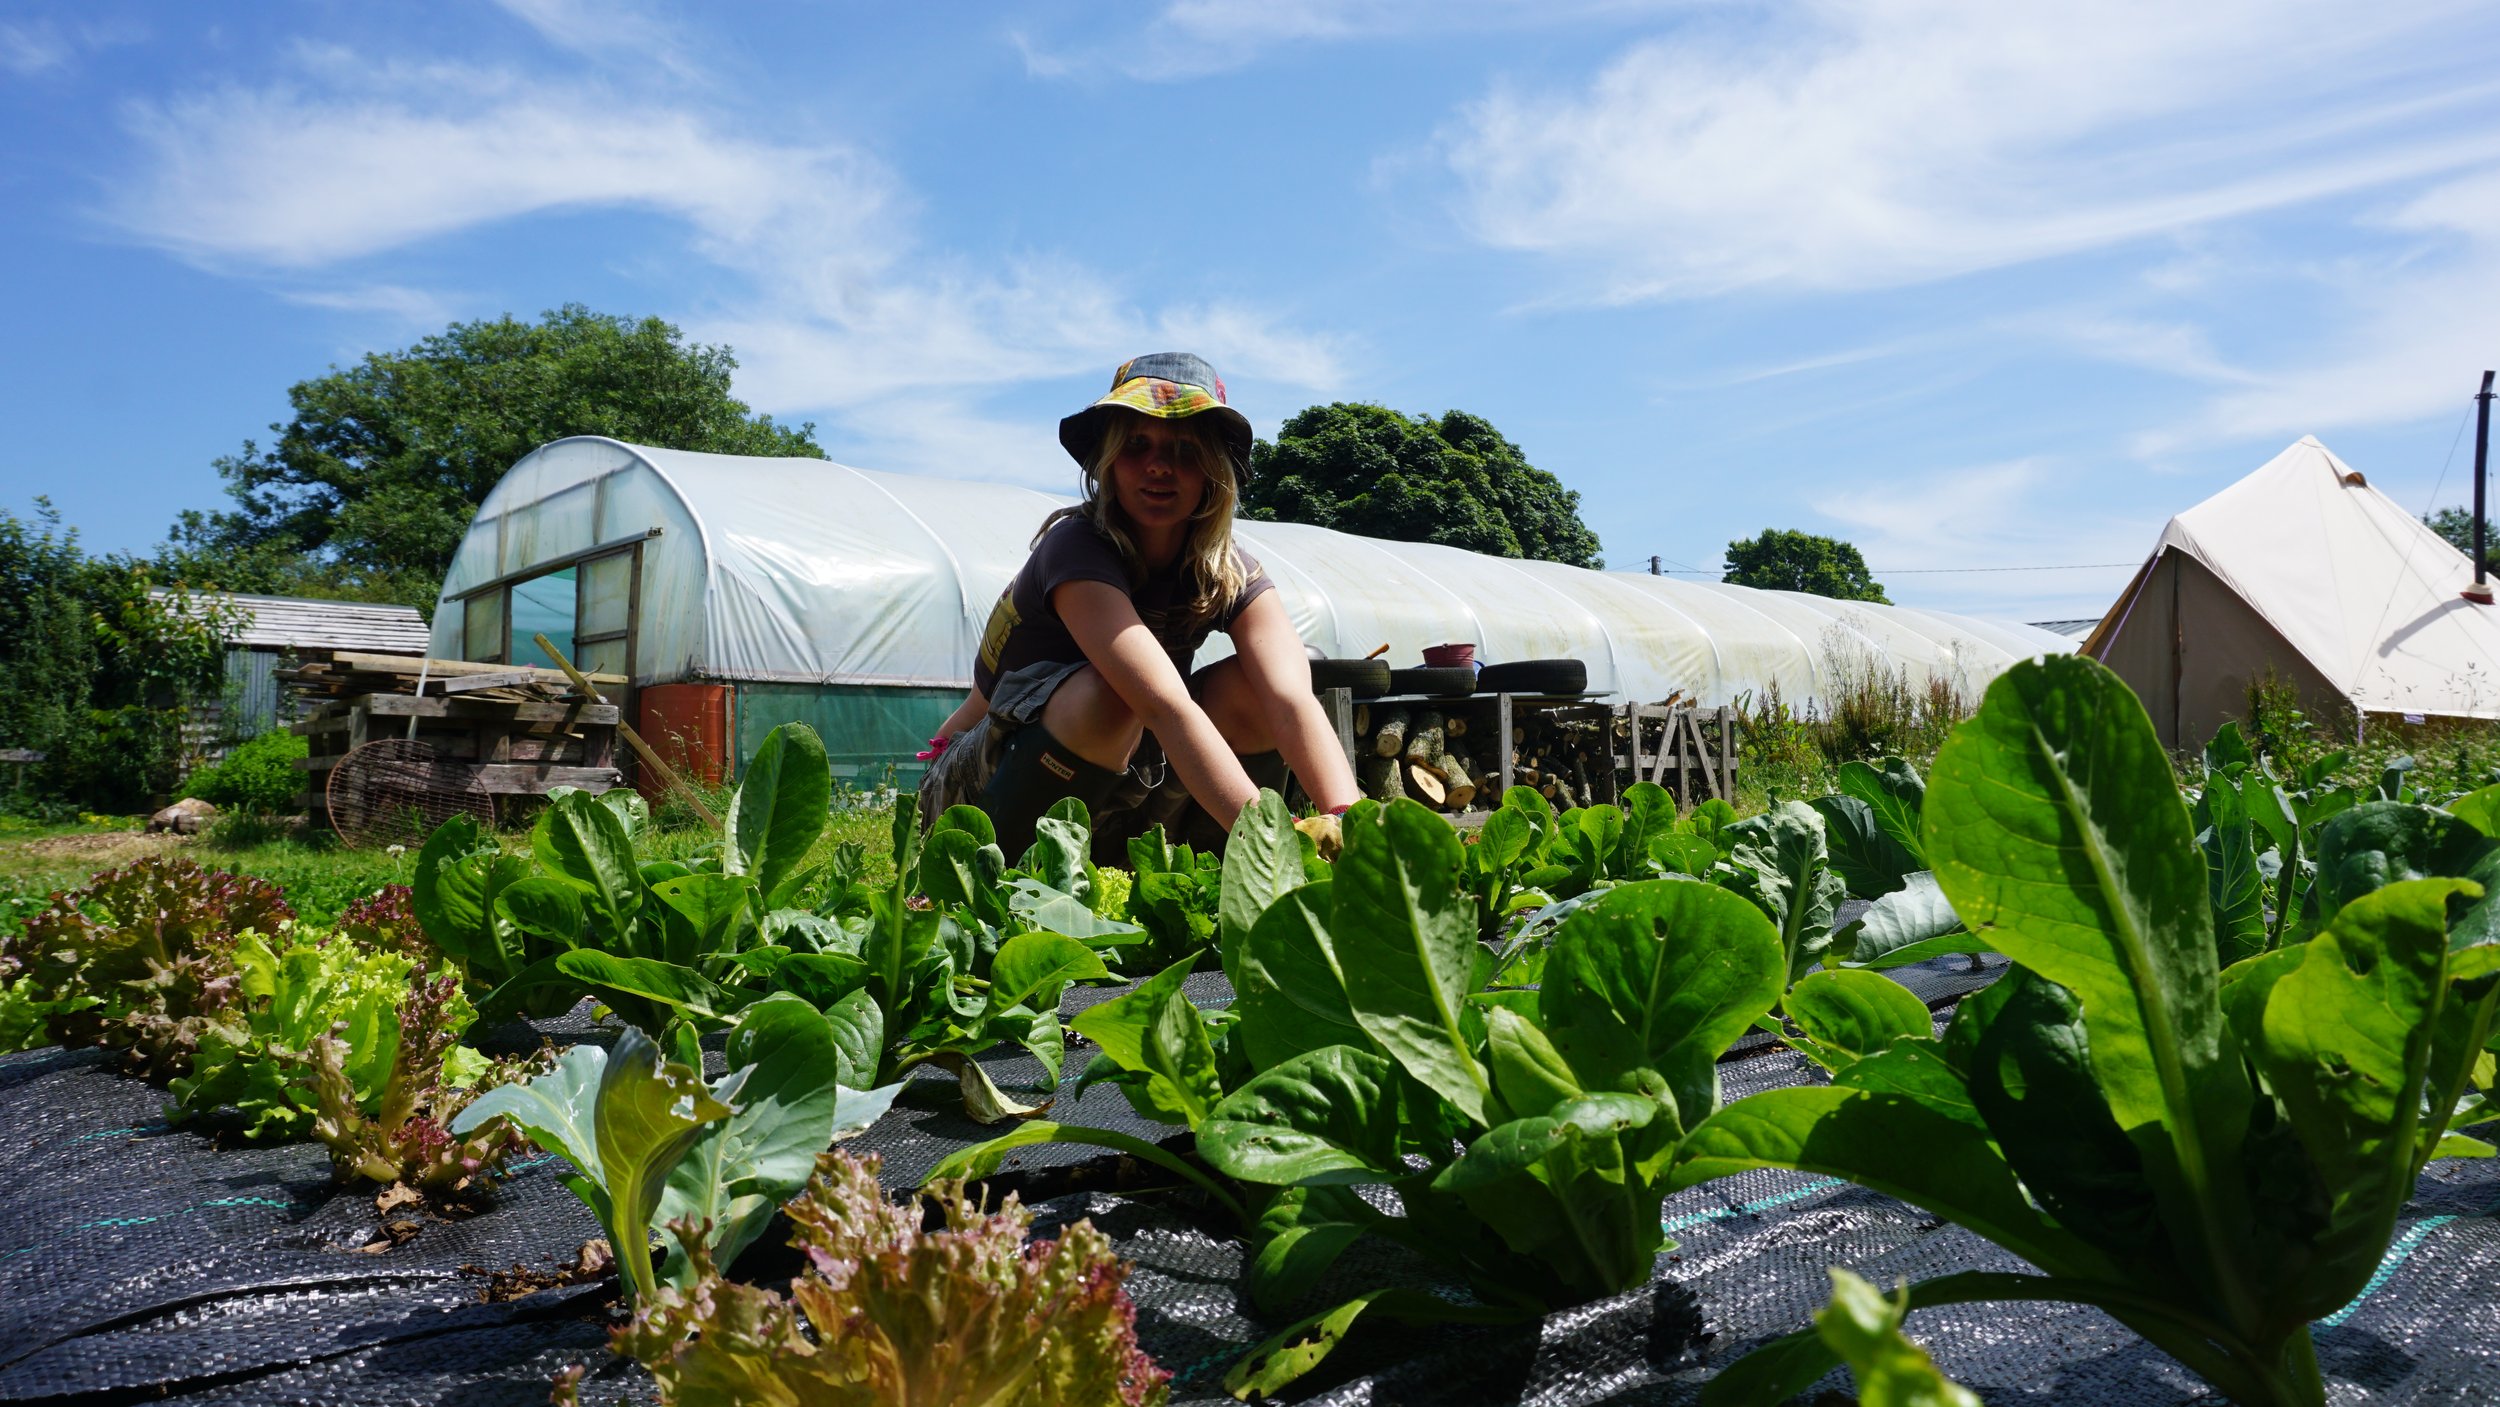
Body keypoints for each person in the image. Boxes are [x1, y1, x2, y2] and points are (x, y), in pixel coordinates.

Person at [916, 353, 1358, 861]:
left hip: (1119, 783)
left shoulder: (1228, 571)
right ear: (1106, 459)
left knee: (1251, 690)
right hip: (971, 794)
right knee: (1111, 695)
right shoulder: (1076, 549)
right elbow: (1161, 705)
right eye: (1136, 444)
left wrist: (1351, 822)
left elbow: (1290, 700)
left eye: (1185, 450)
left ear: (1214, 470)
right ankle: (996, 880)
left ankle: (1216, 879)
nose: (1159, 465)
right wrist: (1275, 843)